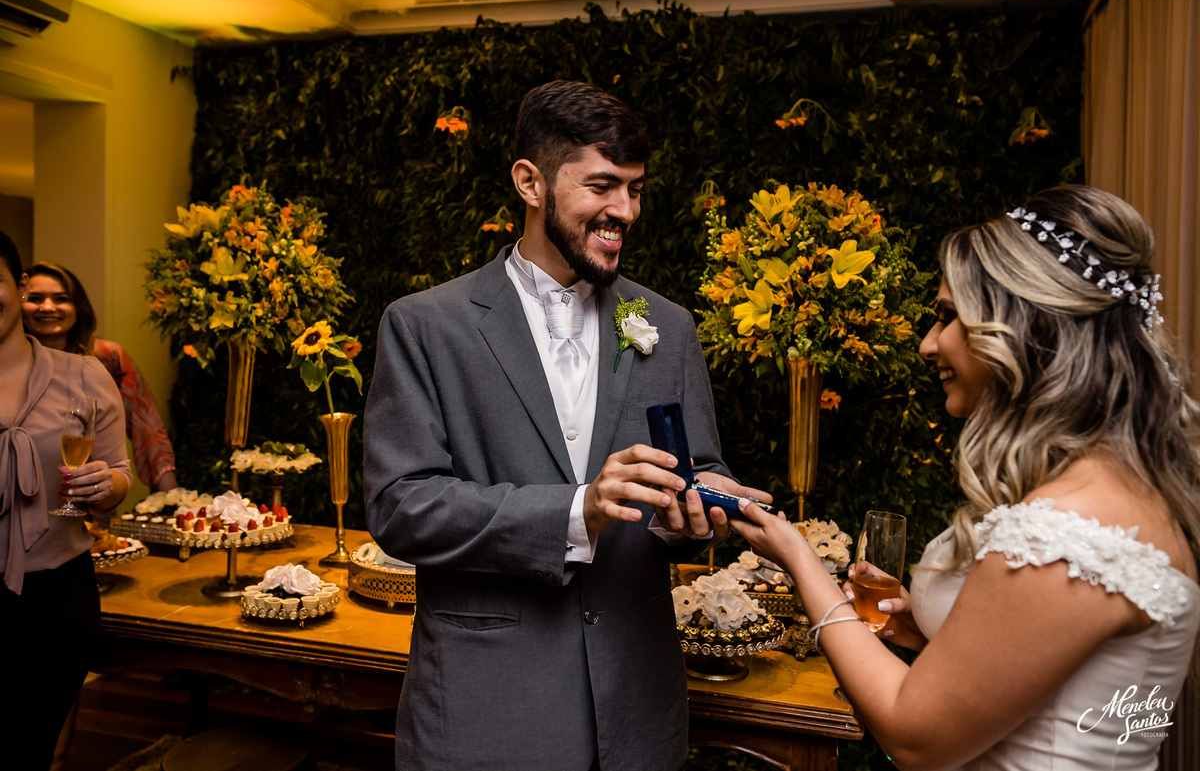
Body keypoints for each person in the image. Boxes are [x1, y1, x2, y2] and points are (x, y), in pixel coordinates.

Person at [364, 80, 769, 771]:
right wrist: (576, 510)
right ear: (530, 181)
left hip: (637, 712)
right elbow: (400, 507)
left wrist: (696, 511)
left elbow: (697, 464)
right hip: (487, 711)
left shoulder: (668, 327)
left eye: (635, 190)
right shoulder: (425, 326)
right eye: (604, 186)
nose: (625, 211)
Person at [727, 185, 1200, 769]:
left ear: (1026, 327)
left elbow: (913, 736)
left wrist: (802, 565)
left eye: (949, 316)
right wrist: (924, 636)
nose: (929, 343)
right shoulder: (1120, 490)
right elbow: (1056, 693)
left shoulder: (1069, 528)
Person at [0, 230, 133, 769]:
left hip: (55, 599)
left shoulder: (85, 374)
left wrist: (108, 486)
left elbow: (119, 478)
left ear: (19, 284)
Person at [23, 262, 178, 493]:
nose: (47, 307)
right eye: (35, 298)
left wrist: (171, 497)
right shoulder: (11, 362)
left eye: (61, 299)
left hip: (93, 501)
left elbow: (146, 424)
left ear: (78, 308)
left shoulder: (106, 357)